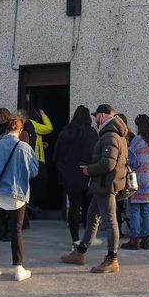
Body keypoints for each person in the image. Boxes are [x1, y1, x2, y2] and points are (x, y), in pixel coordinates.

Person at [60, 104, 128, 273]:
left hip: (106, 185)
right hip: (101, 185)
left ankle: (112, 258)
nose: (95, 119)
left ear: (103, 116)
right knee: (92, 217)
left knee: (110, 221)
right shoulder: (112, 134)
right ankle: (80, 252)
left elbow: (108, 163)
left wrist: (89, 169)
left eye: (96, 116)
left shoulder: (110, 136)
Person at [0, 110, 38, 281]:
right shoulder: (25, 148)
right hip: (17, 194)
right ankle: (18, 268)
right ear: (21, 131)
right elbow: (34, 171)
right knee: (16, 231)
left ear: (6, 129)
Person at [53, 105, 98, 247]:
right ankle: (87, 239)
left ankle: (75, 240)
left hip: (70, 175)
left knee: (73, 207)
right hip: (87, 173)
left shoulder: (66, 132)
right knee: (88, 208)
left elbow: (57, 155)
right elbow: (95, 154)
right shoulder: (91, 133)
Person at [121, 114, 149, 251]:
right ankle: (146, 240)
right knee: (147, 210)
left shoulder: (137, 140)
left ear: (139, 126)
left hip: (138, 179)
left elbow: (131, 160)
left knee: (134, 210)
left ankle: (134, 240)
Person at [27, 108, 53, 207]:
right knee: (41, 181)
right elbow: (49, 128)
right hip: (37, 159)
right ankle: (33, 203)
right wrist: (44, 114)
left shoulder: (27, 125)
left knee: (32, 182)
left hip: (31, 158)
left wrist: (41, 144)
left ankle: (30, 203)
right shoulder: (34, 124)